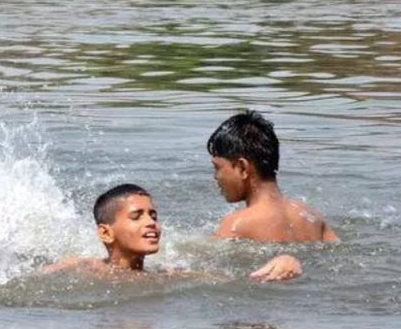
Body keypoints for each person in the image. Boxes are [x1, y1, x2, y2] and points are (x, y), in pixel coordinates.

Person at [42, 183, 302, 282]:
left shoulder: (168, 275)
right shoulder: (78, 268)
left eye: (153, 215)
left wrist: (285, 261)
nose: (151, 223)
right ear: (106, 233)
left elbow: (240, 283)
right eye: (137, 216)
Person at [208, 110, 338, 243]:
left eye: (217, 168)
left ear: (242, 168)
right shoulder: (311, 215)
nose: (216, 177)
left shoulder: (236, 224)